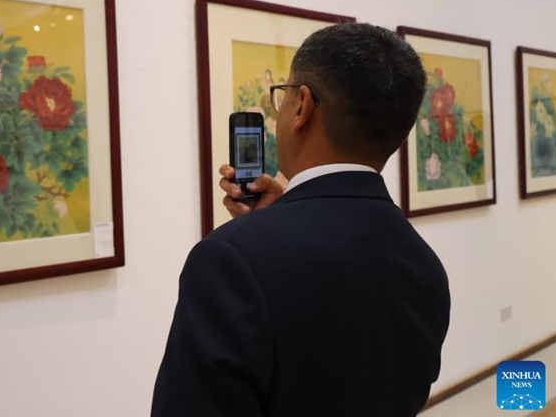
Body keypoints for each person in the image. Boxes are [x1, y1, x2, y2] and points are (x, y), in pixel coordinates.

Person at [151, 23, 451, 417]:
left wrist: (266, 230)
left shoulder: (230, 261)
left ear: (302, 107)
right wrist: (282, 215)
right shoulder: (424, 264)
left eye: (284, 94)